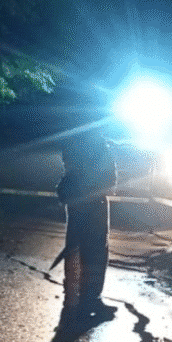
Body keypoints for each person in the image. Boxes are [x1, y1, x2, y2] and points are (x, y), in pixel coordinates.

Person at [55, 130, 118, 324]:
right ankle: (88, 299)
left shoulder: (76, 138)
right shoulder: (95, 142)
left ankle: (76, 297)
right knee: (93, 249)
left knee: (78, 246)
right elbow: (106, 177)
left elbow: (69, 164)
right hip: (92, 200)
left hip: (80, 198)